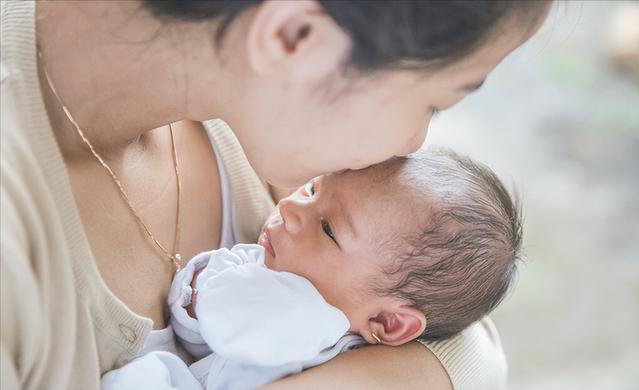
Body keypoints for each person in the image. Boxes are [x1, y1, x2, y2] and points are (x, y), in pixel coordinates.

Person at [0, 1, 551, 389]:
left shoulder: (261, 121)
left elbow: (469, 345)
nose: (414, 143)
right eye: (434, 102)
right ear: (294, 37)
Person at [101, 149, 523, 390]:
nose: (290, 207)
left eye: (327, 228)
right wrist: (196, 293)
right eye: (312, 187)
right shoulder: (275, 267)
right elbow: (198, 332)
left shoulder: (329, 341)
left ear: (388, 322)